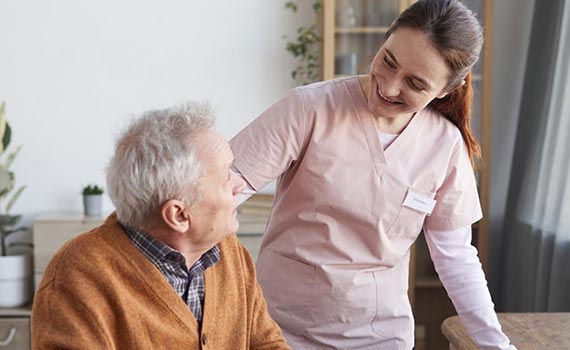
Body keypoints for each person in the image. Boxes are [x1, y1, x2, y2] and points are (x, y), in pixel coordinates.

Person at [230, 0, 516, 349]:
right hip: (277, 331)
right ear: (384, 40)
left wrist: (497, 346)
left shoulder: (445, 146)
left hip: (379, 336)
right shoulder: (309, 109)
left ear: (445, 90)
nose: (390, 86)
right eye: (388, 61)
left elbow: (456, 259)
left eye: (415, 83)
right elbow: (220, 194)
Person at [31, 102, 291, 350]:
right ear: (178, 215)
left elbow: (266, 343)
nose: (240, 185)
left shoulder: (230, 253)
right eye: (225, 176)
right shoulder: (78, 278)